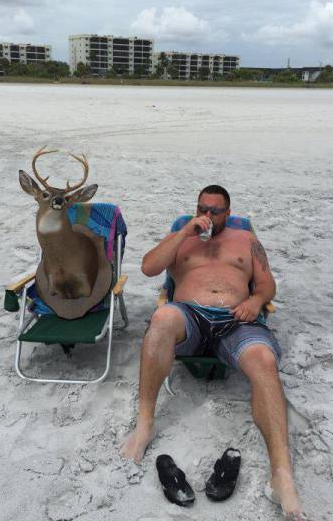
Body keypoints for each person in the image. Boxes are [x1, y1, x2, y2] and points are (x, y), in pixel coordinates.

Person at [120, 185, 308, 520]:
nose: (208, 216)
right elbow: (149, 267)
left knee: (264, 360)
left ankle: (281, 475)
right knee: (161, 318)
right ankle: (145, 423)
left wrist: (255, 301)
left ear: (228, 212)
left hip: (237, 319)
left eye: (215, 211)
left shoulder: (246, 239)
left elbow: (267, 285)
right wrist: (184, 232)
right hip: (189, 316)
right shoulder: (181, 236)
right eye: (202, 209)